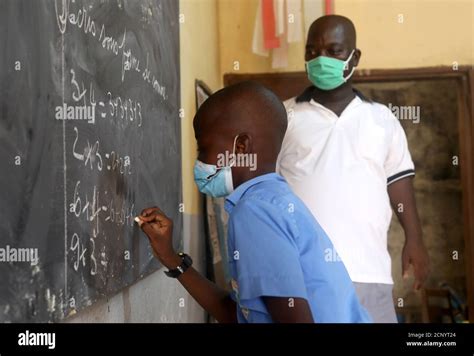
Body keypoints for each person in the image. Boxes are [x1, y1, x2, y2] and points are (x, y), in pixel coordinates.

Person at [137, 81, 371, 323]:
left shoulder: (255, 213)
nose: (200, 161)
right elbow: (238, 315)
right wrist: (172, 258)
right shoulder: (274, 201)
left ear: (240, 147)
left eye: (204, 148)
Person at [277, 15, 430, 323]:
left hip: (367, 270)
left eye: (333, 51)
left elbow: (398, 184)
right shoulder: (282, 115)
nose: (321, 59)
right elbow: (264, 187)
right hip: (301, 272)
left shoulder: (381, 119)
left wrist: (415, 238)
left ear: (354, 56)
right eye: (312, 51)